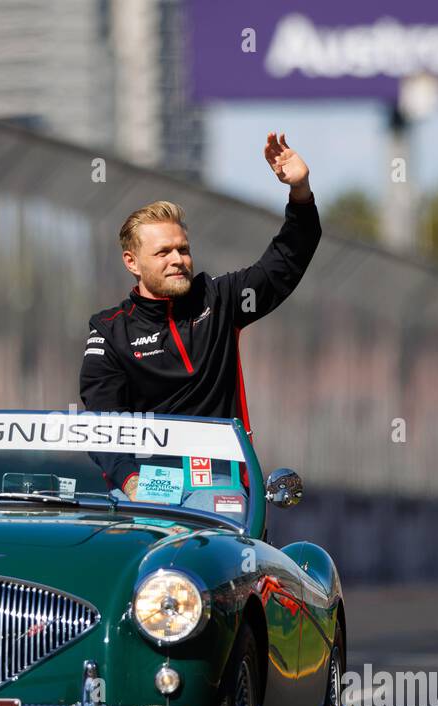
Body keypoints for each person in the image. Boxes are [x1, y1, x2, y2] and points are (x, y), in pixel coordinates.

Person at [79, 132, 321, 498]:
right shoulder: (109, 330)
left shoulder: (220, 298)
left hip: (223, 487)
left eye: (183, 249)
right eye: (163, 253)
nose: (178, 259)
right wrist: (131, 483)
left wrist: (300, 191)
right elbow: (102, 423)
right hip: (146, 488)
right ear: (132, 262)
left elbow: (286, 260)